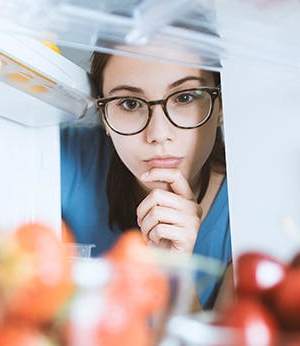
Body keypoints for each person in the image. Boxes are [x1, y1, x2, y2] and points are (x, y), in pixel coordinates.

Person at [61, 46, 231, 310]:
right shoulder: (63, 156)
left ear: (220, 105)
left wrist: (174, 269)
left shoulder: (246, 213)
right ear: (103, 116)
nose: (158, 133)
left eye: (185, 97)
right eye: (130, 104)